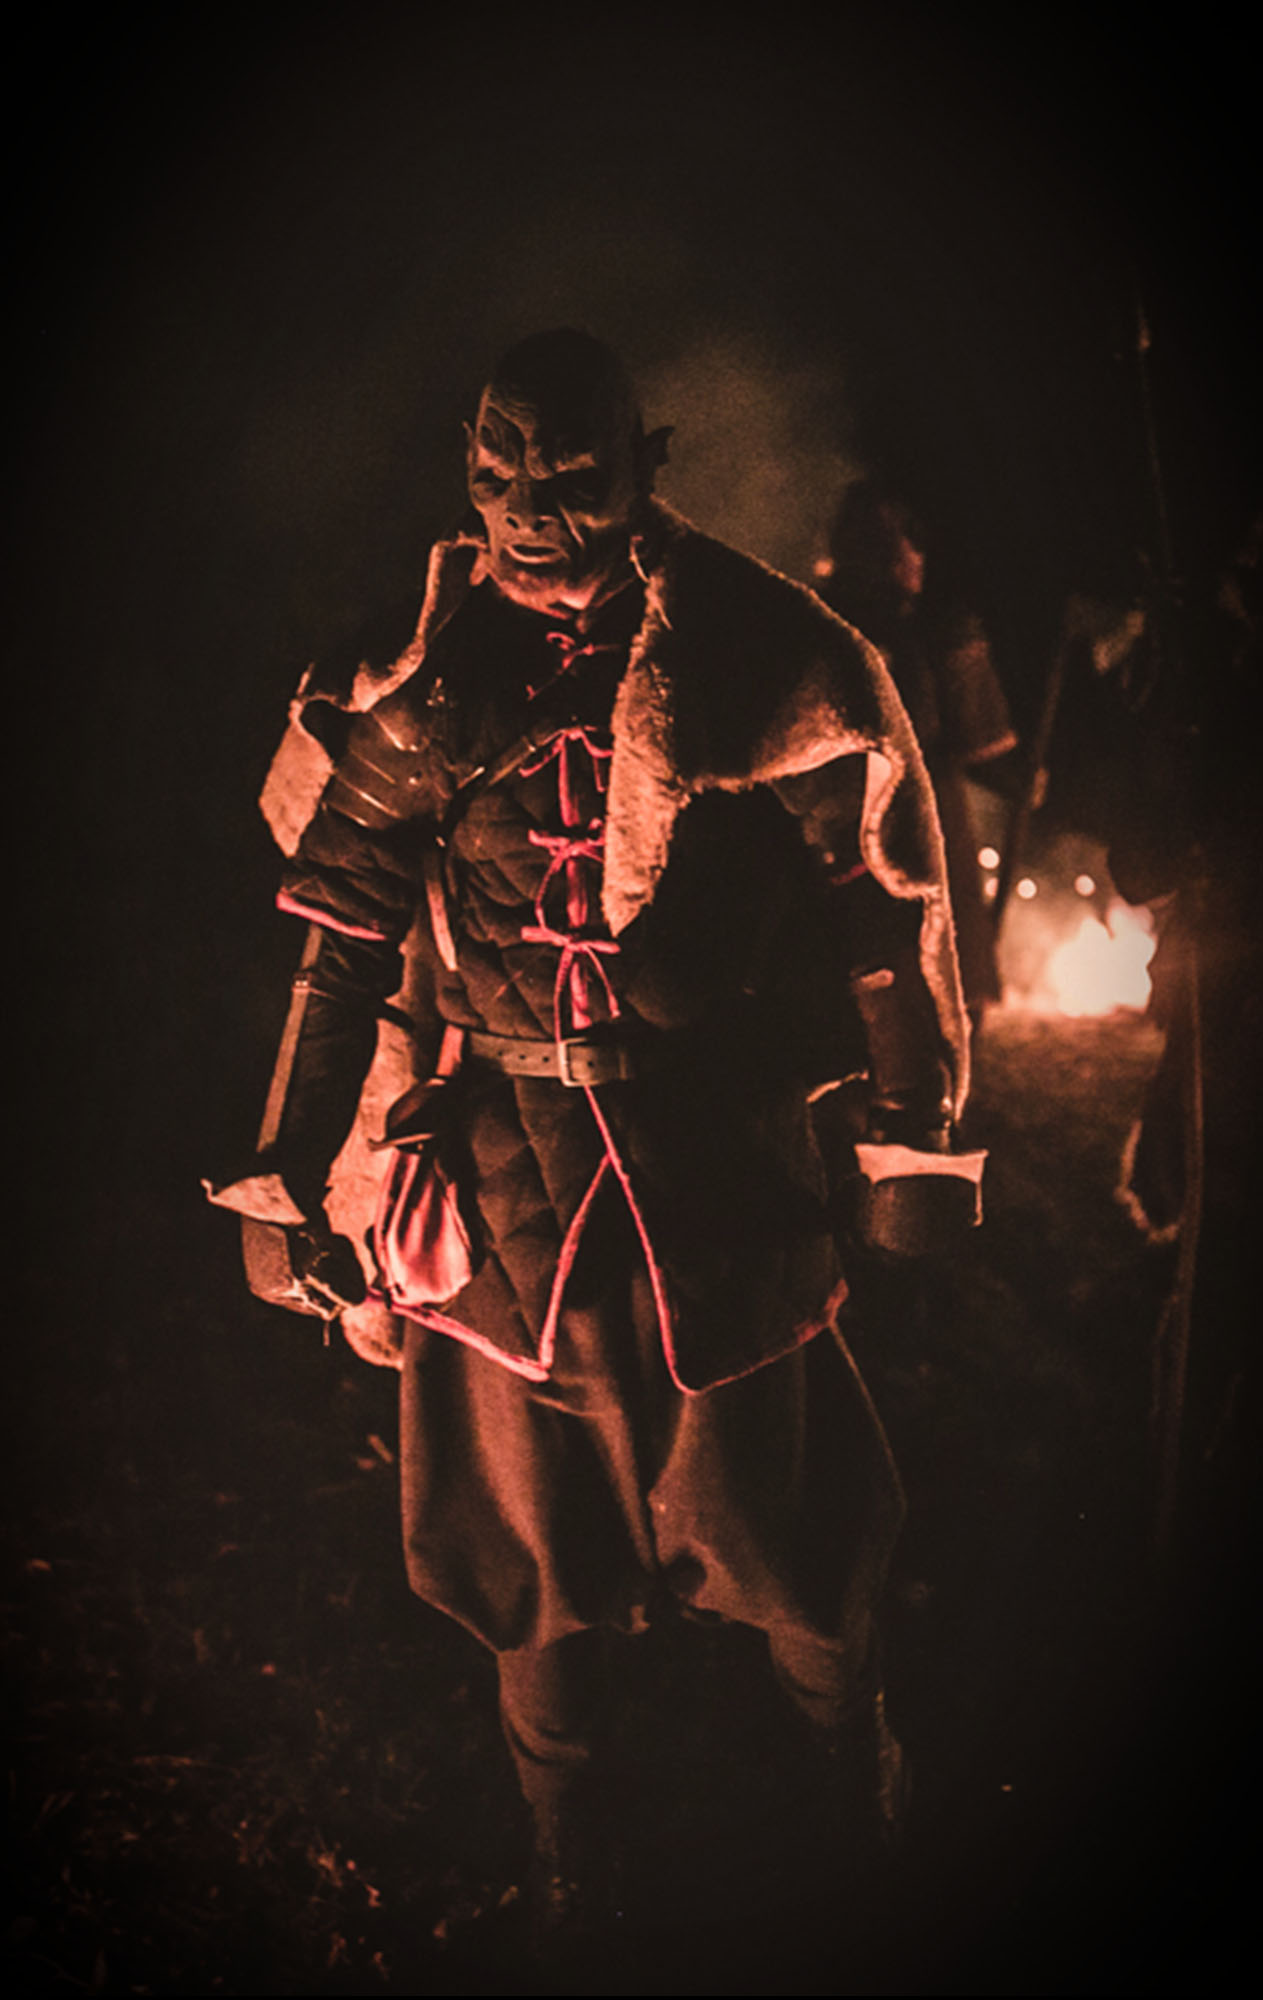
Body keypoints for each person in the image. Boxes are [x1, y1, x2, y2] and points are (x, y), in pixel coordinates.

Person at [208, 329, 982, 1935]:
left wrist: (912, 1129)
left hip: (714, 1176)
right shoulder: (415, 677)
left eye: (565, 472)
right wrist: (289, 1175)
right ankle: (565, 1849)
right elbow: (341, 942)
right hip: (502, 1207)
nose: (526, 504)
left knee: (789, 1534)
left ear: (646, 465)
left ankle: (856, 1791)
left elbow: (878, 900)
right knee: (526, 1567)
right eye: (498, 468)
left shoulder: (756, 649)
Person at [818, 477, 1018, 1024]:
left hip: (836, 835)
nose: (917, 557)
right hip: (913, 829)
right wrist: (1024, 779)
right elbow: (980, 737)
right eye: (907, 541)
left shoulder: (813, 624)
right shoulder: (929, 631)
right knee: (930, 992)